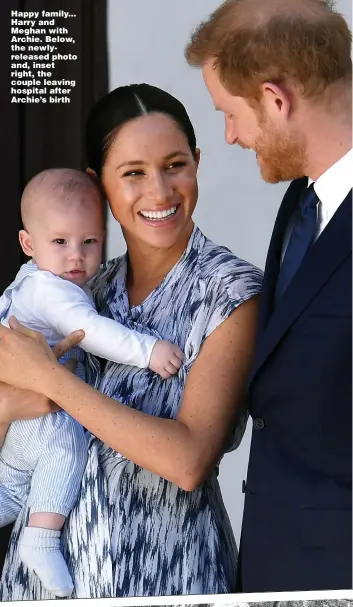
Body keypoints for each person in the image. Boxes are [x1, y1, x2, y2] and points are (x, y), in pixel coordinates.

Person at [0, 83, 263, 599]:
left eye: (174, 165)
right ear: (100, 187)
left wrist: (49, 379)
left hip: (165, 575)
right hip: (43, 584)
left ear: (197, 163)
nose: (160, 191)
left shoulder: (230, 292)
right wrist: (18, 397)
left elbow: (188, 462)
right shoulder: (76, 288)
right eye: (134, 173)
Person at [185, 0, 352, 592]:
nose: (228, 136)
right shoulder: (302, 198)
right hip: (278, 566)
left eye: (231, 114)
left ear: (276, 100)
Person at [0, 167, 184, 597]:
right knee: (68, 443)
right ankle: (40, 539)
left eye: (89, 242)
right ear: (29, 244)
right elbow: (93, 332)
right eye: (60, 242)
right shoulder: (53, 291)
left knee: (15, 484)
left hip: (21, 426)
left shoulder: (28, 280)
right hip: (41, 417)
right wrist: (150, 350)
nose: (76, 257)